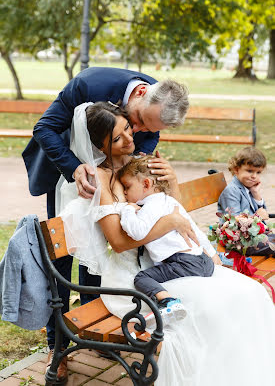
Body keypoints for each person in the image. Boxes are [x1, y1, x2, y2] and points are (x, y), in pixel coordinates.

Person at [58, 102, 275, 386]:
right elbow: (121, 243)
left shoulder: (138, 161)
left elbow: (169, 207)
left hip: (169, 260)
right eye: (117, 139)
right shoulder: (99, 177)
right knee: (213, 306)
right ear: (100, 145)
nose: (129, 139)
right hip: (133, 278)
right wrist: (169, 223)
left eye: (127, 129)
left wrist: (171, 183)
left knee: (249, 293)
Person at [22, 67, 191, 379]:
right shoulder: (89, 85)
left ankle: (90, 332)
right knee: (62, 256)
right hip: (67, 169)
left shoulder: (158, 106)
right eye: (136, 121)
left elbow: (145, 142)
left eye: (144, 128)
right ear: (140, 94)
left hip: (114, 175)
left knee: (99, 252)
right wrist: (75, 168)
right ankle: (55, 344)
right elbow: (44, 129)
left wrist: (137, 171)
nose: (137, 130)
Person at [117, 156, 221, 322]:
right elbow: (193, 229)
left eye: (127, 187)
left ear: (146, 184)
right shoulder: (169, 201)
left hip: (183, 263)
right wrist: (211, 253)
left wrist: (127, 210)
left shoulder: (150, 205)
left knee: (142, 278)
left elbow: (137, 233)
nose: (124, 192)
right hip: (202, 260)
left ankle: (168, 302)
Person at [218, 146, 275, 256]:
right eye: (249, 171)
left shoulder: (248, 187)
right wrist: (256, 217)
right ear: (236, 169)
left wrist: (256, 195)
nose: (254, 176)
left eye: (258, 172)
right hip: (239, 242)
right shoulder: (231, 191)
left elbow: (264, 215)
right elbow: (234, 223)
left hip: (254, 236)